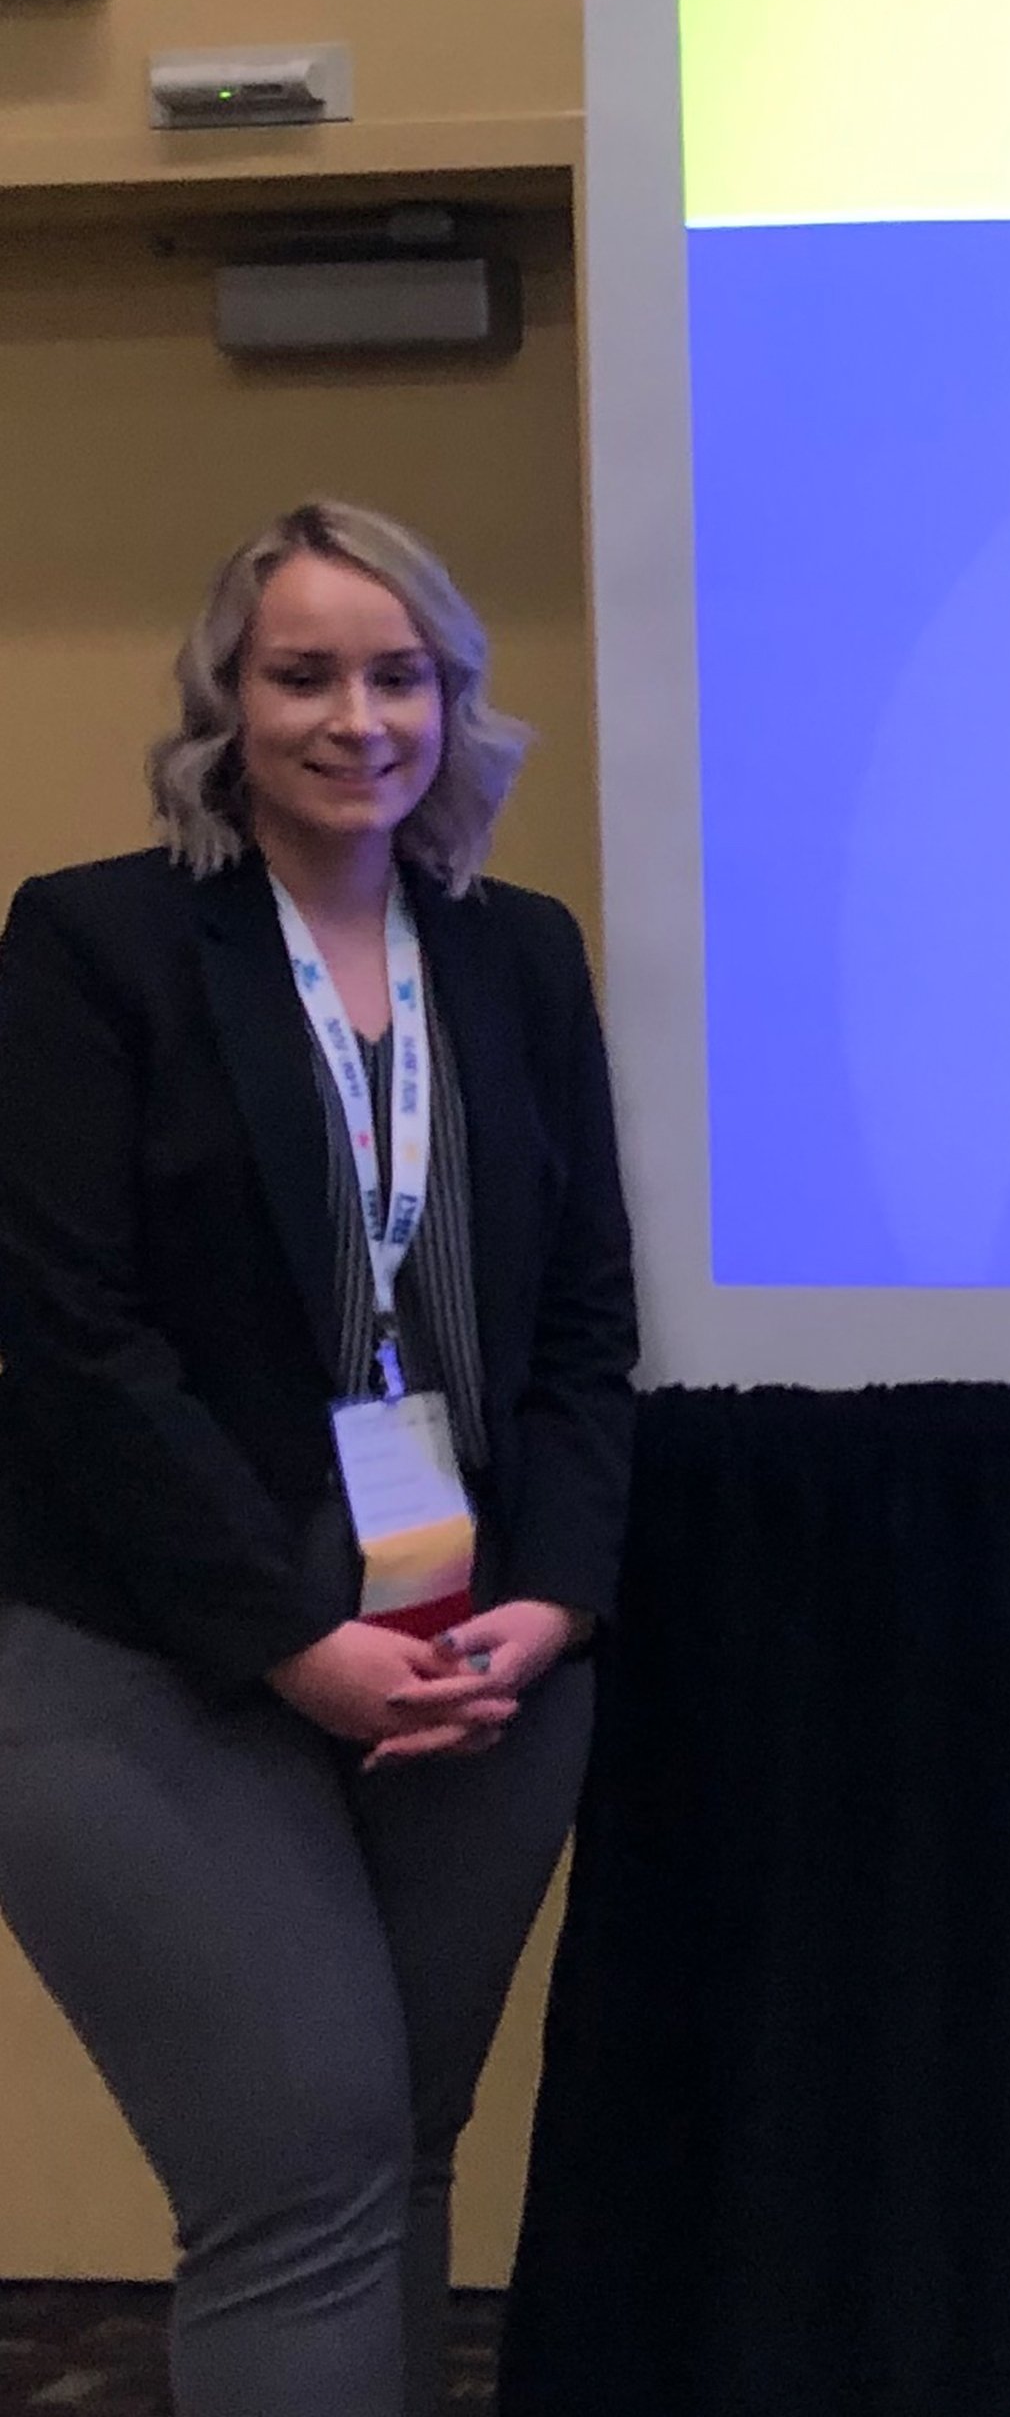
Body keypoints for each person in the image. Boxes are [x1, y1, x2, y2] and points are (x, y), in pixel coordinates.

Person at [0, 503, 633, 2417]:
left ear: (451, 702)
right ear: (226, 703)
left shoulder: (517, 954)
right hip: (149, 1648)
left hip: (469, 1651)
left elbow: (587, 1326)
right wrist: (289, 1634)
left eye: (400, 673)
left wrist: (558, 1599)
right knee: (299, 2179)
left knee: (398, 2153)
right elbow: (61, 1339)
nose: (356, 716)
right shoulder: (95, 939)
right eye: (304, 675)